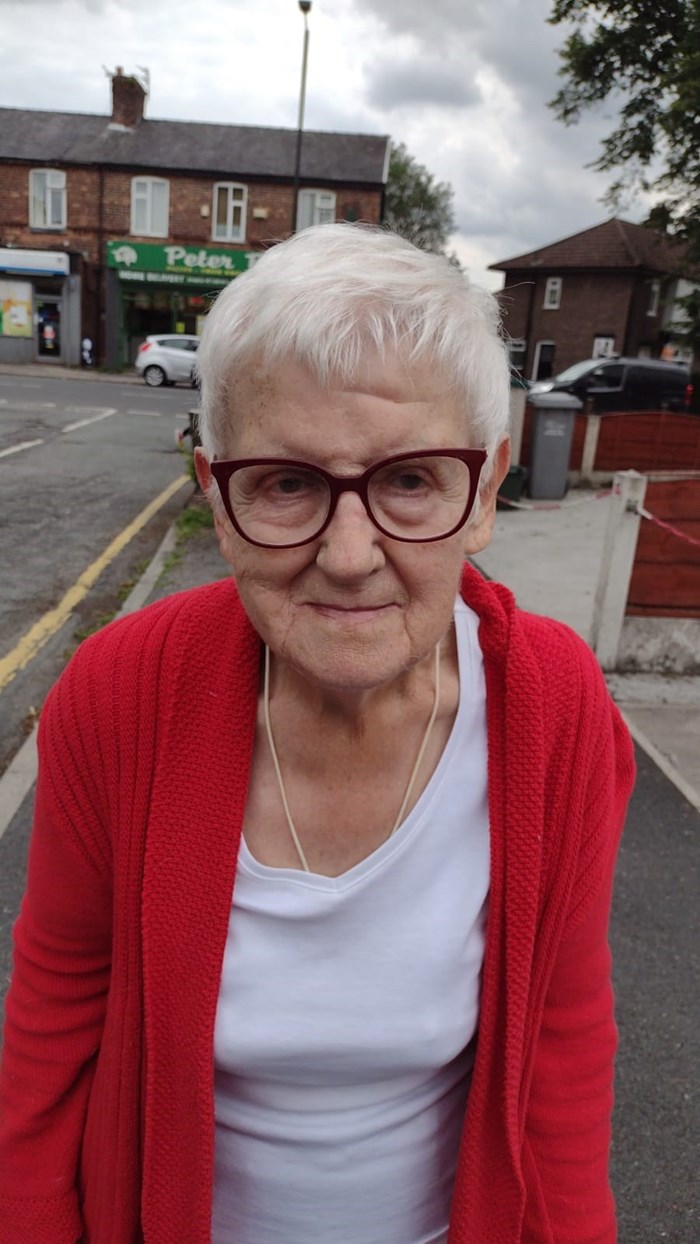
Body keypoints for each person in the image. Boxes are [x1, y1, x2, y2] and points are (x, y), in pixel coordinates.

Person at [0, 224, 635, 1244]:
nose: (349, 556)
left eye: (410, 480)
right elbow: (54, 1022)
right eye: (287, 483)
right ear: (216, 493)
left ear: (485, 492)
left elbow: (561, 1037)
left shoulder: (552, 706)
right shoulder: (120, 692)